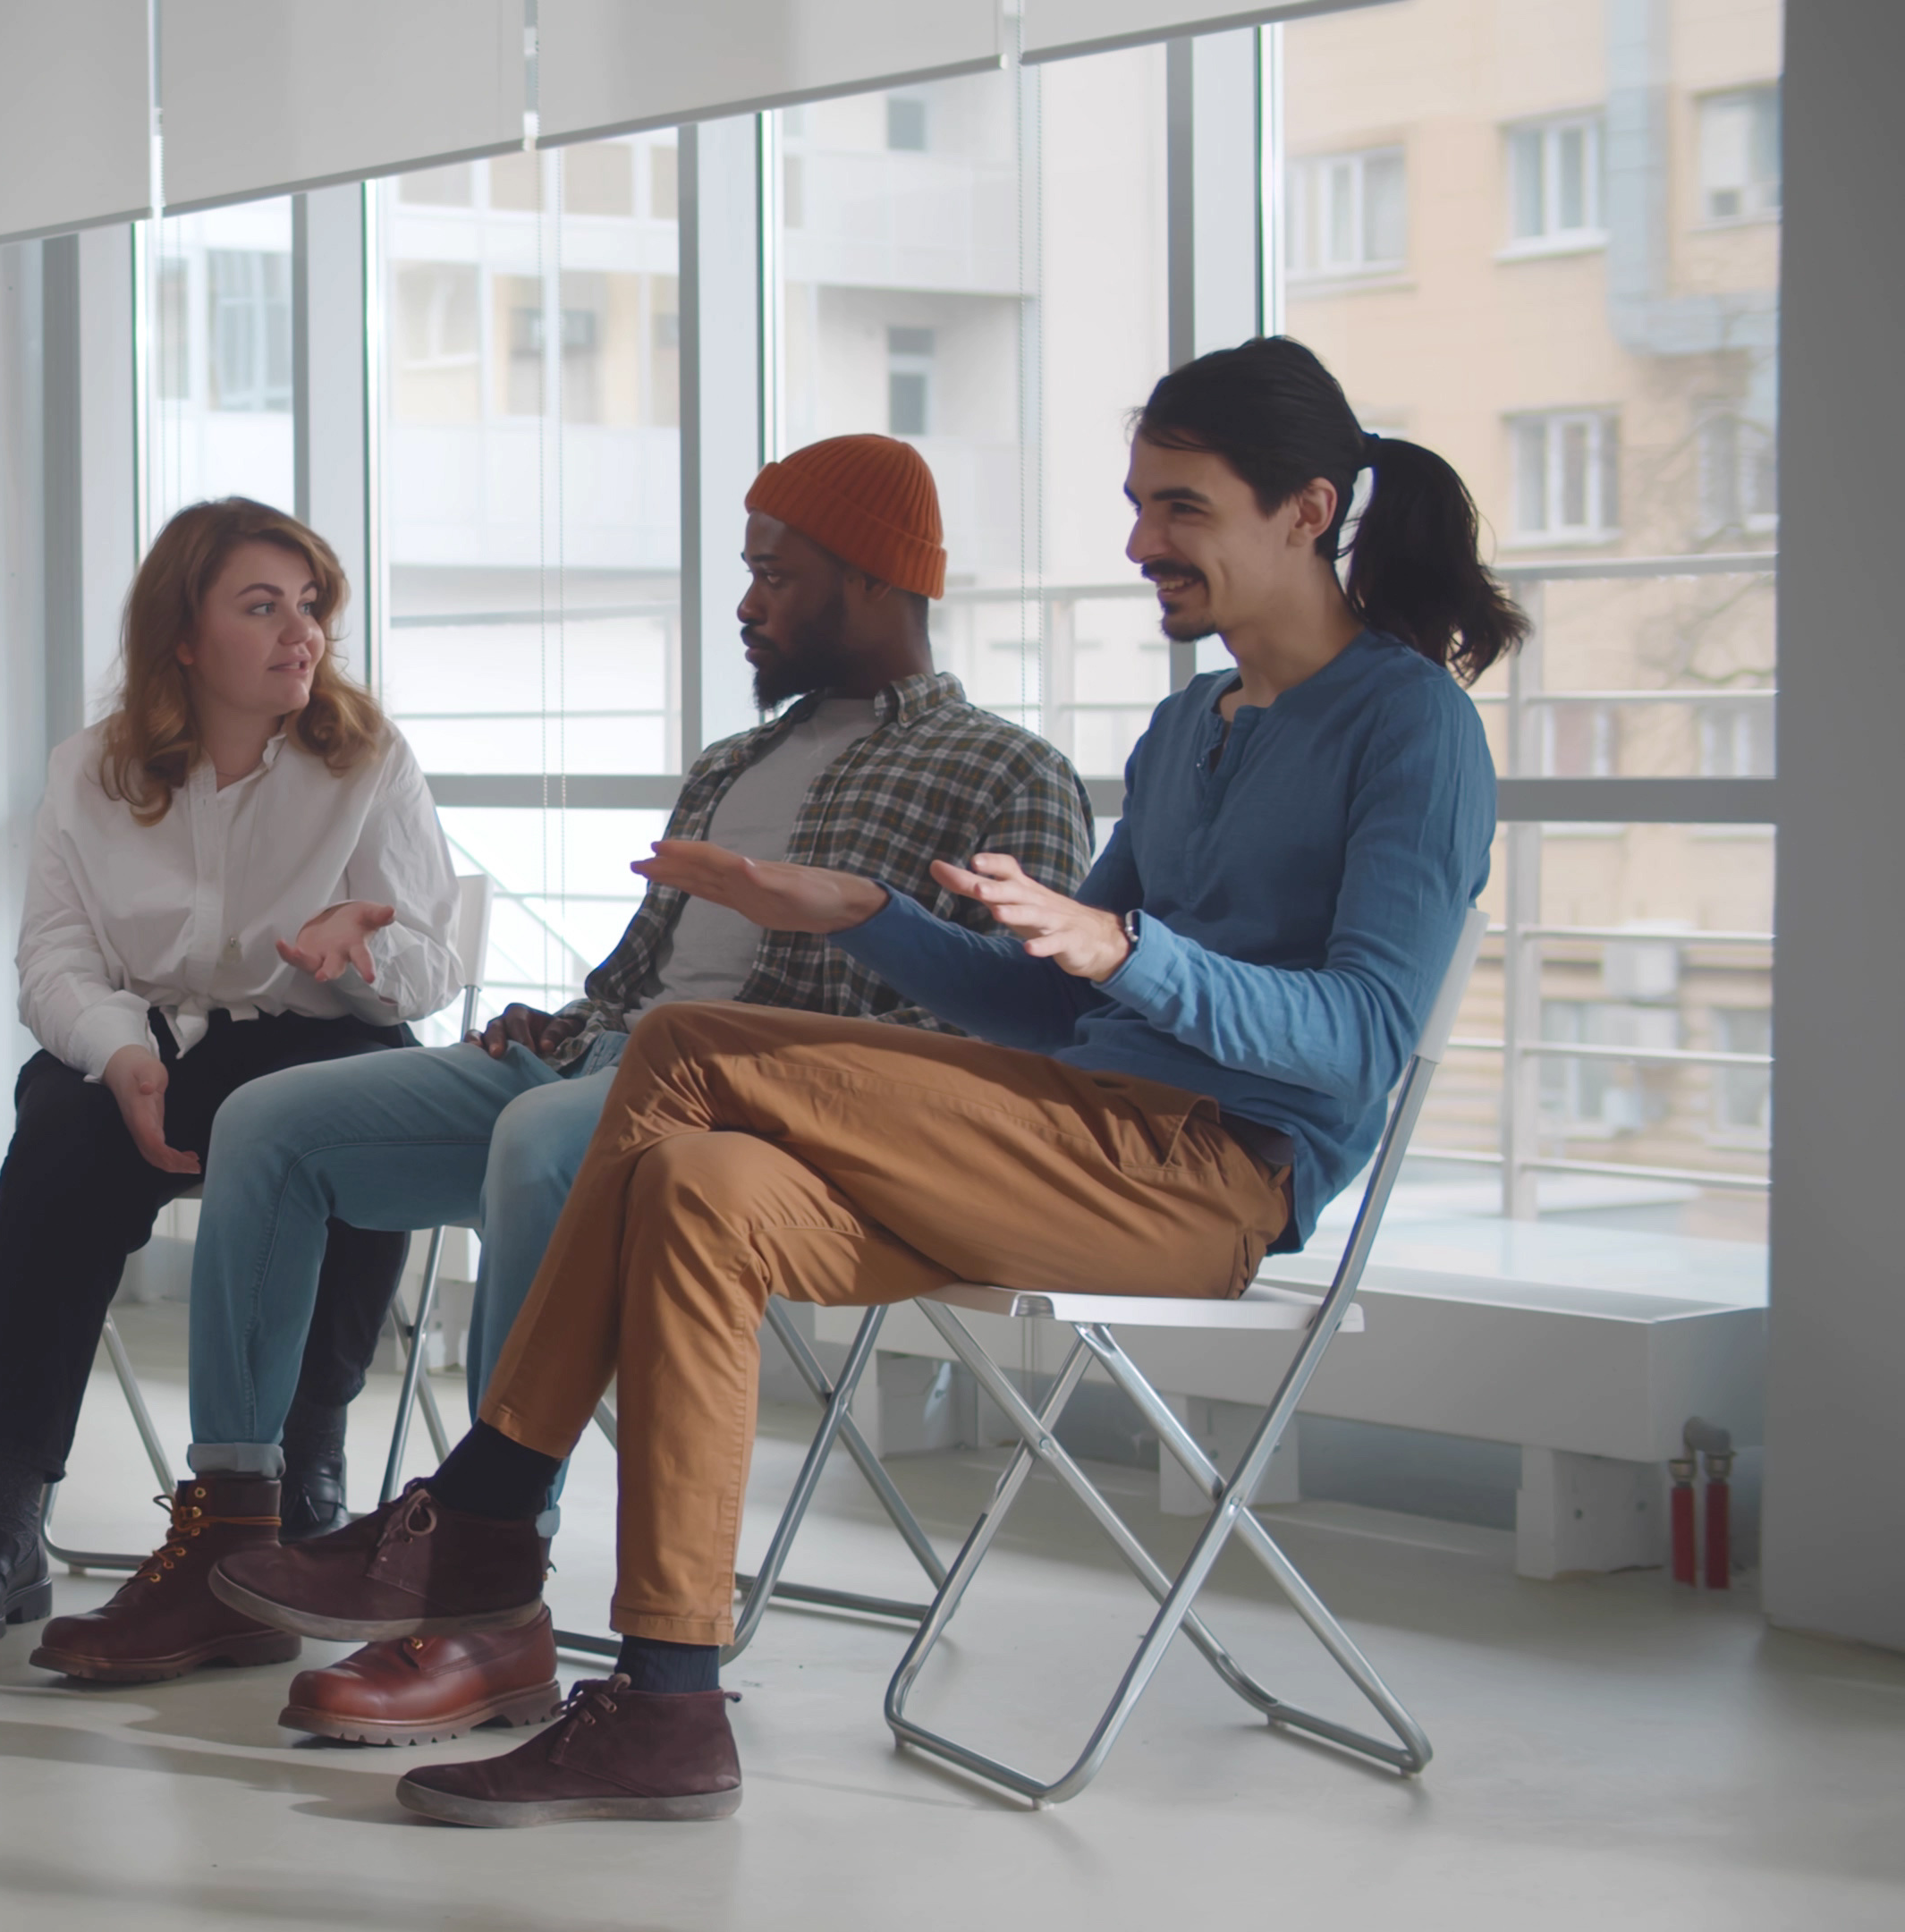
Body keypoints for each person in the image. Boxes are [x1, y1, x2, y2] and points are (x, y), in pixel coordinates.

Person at [212, 335, 1512, 1827]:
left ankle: (487, 1510)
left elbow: (1356, 1038)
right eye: (1140, 502)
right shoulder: (1188, 731)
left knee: (690, 1056)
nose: (1143, 541)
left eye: (1184, 509)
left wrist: (1126, 950)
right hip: (1073, 1132)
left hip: (1215, 1175)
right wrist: (862, 916)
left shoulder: (1410, 725)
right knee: (699, 1186)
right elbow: (1044, 1006)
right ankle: (669, 1708)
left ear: (1308, 511)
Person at [157, 435, 1091, 1744]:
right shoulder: (727, 764)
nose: (746, 601)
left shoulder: (1003, 772)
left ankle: (485, 1605)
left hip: (769, 1111)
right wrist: (557, 1021)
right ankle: (229, 1539)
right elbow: (638, 975)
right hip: (601, 1064)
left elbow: (997, 1023)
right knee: (270, 1121)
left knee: (545, 1143)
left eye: (776, 574)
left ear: (876, 582)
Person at [0, 496, 461, 1676]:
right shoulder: (91, 773)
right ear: (185, 638)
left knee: (361, 1116)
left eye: (311, 607)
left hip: (324, 1031)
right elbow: (52, 961)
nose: (299, 632)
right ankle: (7, 1521)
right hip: (154, 1041)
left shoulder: (370, 760)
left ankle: (303, 1488)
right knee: (53, 1138)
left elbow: (433, 967)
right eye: (262, 607)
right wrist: (119, 1053)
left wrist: (363, 953)